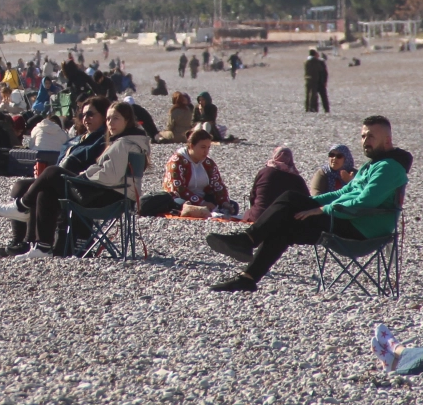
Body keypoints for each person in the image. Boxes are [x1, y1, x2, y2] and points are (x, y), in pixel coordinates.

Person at [206, 115, 410, 292]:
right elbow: (342, 192)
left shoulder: (389, 167)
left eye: (371, 136)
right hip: (346, 220)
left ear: (387, 139)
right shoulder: (372, 165)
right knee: (288, 214)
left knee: (290, 204)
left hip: (361, 229)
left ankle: (248, 240)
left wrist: (321, 209)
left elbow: (365, 202)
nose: (365, 141)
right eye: (363, 136)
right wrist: (307, 204)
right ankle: (248, 278)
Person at [0, 100, 147, 256]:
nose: (110, 123)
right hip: (111, 193)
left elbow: (110, 176)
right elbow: (108, 171)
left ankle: (22, 206)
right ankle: (42, 247)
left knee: (52, 172)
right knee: (47, 188)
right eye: (108, 119)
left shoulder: (123, 143)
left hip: (109, 197)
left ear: (127, 121)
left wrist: (85, 176)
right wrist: (88, 174)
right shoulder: (124, 141)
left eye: (115, 118)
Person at [162, 129, 234, 217]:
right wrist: (202, 203)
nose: (206, 151)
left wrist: (224, 202)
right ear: (191, 146)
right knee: (180, 205)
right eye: (203, 147)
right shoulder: (176, 161)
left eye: (208, 147)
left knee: (233, 206)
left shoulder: (208, 163)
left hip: (203, 197)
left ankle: (207, 211)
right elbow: (178, 189)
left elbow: (217, 185)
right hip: (181, 198)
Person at [240, 147, 308, 223]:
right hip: (284, 219)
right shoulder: (297, 178)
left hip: (259, 216)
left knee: (248, 213)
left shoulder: (264, 172)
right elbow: (307, 199)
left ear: (275, 155)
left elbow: (253, 196)